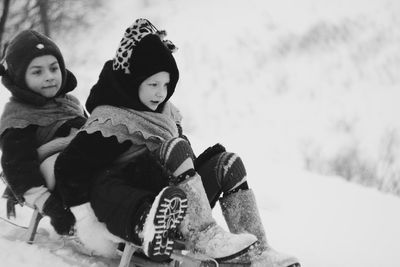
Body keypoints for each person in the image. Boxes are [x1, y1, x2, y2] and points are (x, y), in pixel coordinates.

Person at [55, 19, 300, 266]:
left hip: (178, 202)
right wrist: (84, 219)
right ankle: (202, 235)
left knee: (228, 163)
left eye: (166, 85)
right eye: (152, 84)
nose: (161, 93)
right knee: (175, 148)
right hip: (135, 204)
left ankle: (258, 249)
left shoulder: (166, 116)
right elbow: (68, 167)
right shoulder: (111, 121)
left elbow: (186, 166)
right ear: (132, 80)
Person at [0, 30, 87, 236]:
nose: (49, 77)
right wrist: (51, 207)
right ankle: (134, 219)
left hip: (88, 158)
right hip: (59, 173)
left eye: (54, 68)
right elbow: (19, 169)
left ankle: (156, 203)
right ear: (20, 79)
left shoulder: (69, 103)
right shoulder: (18, 119)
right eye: (37, 72)